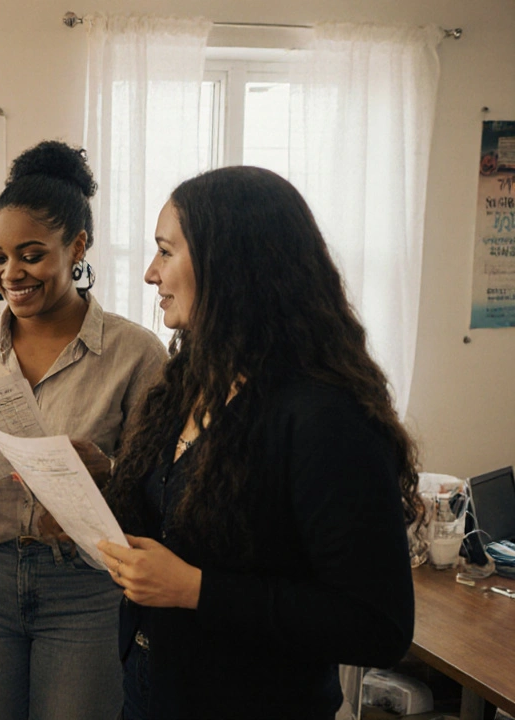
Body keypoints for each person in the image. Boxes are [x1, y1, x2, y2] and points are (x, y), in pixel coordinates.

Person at [98, 166, 419, 719]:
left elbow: (378, 626)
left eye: (165, 252)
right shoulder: (188, 381)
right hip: (153, 688)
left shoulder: (324, 415)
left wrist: (197, 589)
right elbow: (176, 525)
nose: (151, 273)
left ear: (230, 266)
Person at [0, 140, 167, 720]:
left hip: (86, 589)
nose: (11, 274)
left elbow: (167, 491)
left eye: (31, 255)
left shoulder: (136, 354)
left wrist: (110, 473)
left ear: (77, 248)